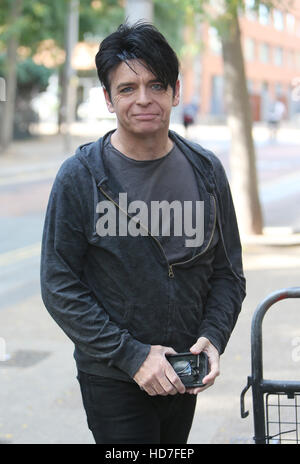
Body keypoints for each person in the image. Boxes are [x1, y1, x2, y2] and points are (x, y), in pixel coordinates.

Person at [40, 22, 246, 445]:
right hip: (113, 374)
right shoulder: (80, 177)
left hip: (184, 370)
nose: (144, 99)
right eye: (127, 88)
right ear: (108, 100)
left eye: (156, 84)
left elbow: (228, 272)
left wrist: (212, 337)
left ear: (175, 91)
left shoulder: (205, 171)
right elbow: (59, 284)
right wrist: (133, 356)